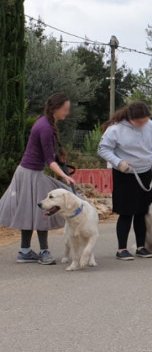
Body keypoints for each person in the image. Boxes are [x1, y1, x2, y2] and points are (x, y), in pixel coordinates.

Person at [0, 93, 77, 265]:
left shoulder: (46, 124)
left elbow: (47, 155)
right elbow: (49, 161)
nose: (67, 113)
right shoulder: (45, 128)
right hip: (30, 174)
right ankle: (43, 252)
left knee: (30, 212)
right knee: (43, 211)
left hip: (29, 172)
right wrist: (65, 176)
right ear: (56, 109)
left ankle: (25, 251)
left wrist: (60, 162)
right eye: (65, 109)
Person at [98, 101, 152, 260]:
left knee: (142, 212)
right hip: (125, 174)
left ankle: (140, 246)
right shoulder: (115, 129)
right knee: (126, 212)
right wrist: (119, 162)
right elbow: (103, 149)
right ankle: (121, 249)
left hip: (145, 173)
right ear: (130, 118)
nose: (143, 124)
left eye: (145, 120)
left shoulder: (151, 125)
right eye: (139, 122)